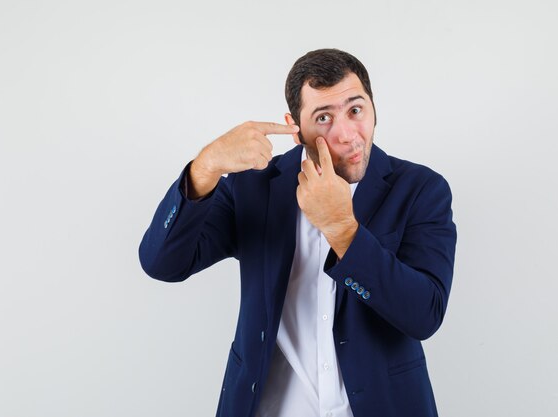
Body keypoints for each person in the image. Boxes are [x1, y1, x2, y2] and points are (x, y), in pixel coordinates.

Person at [139, 48, 457, 417]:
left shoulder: (421, 189)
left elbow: (424, 315)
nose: (347, 134)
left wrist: (343, 229)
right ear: (295, 127)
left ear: (372, 107)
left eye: (356, 110)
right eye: (323, 118)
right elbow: (162, 263)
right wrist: (205, 168)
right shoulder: (255, 187)